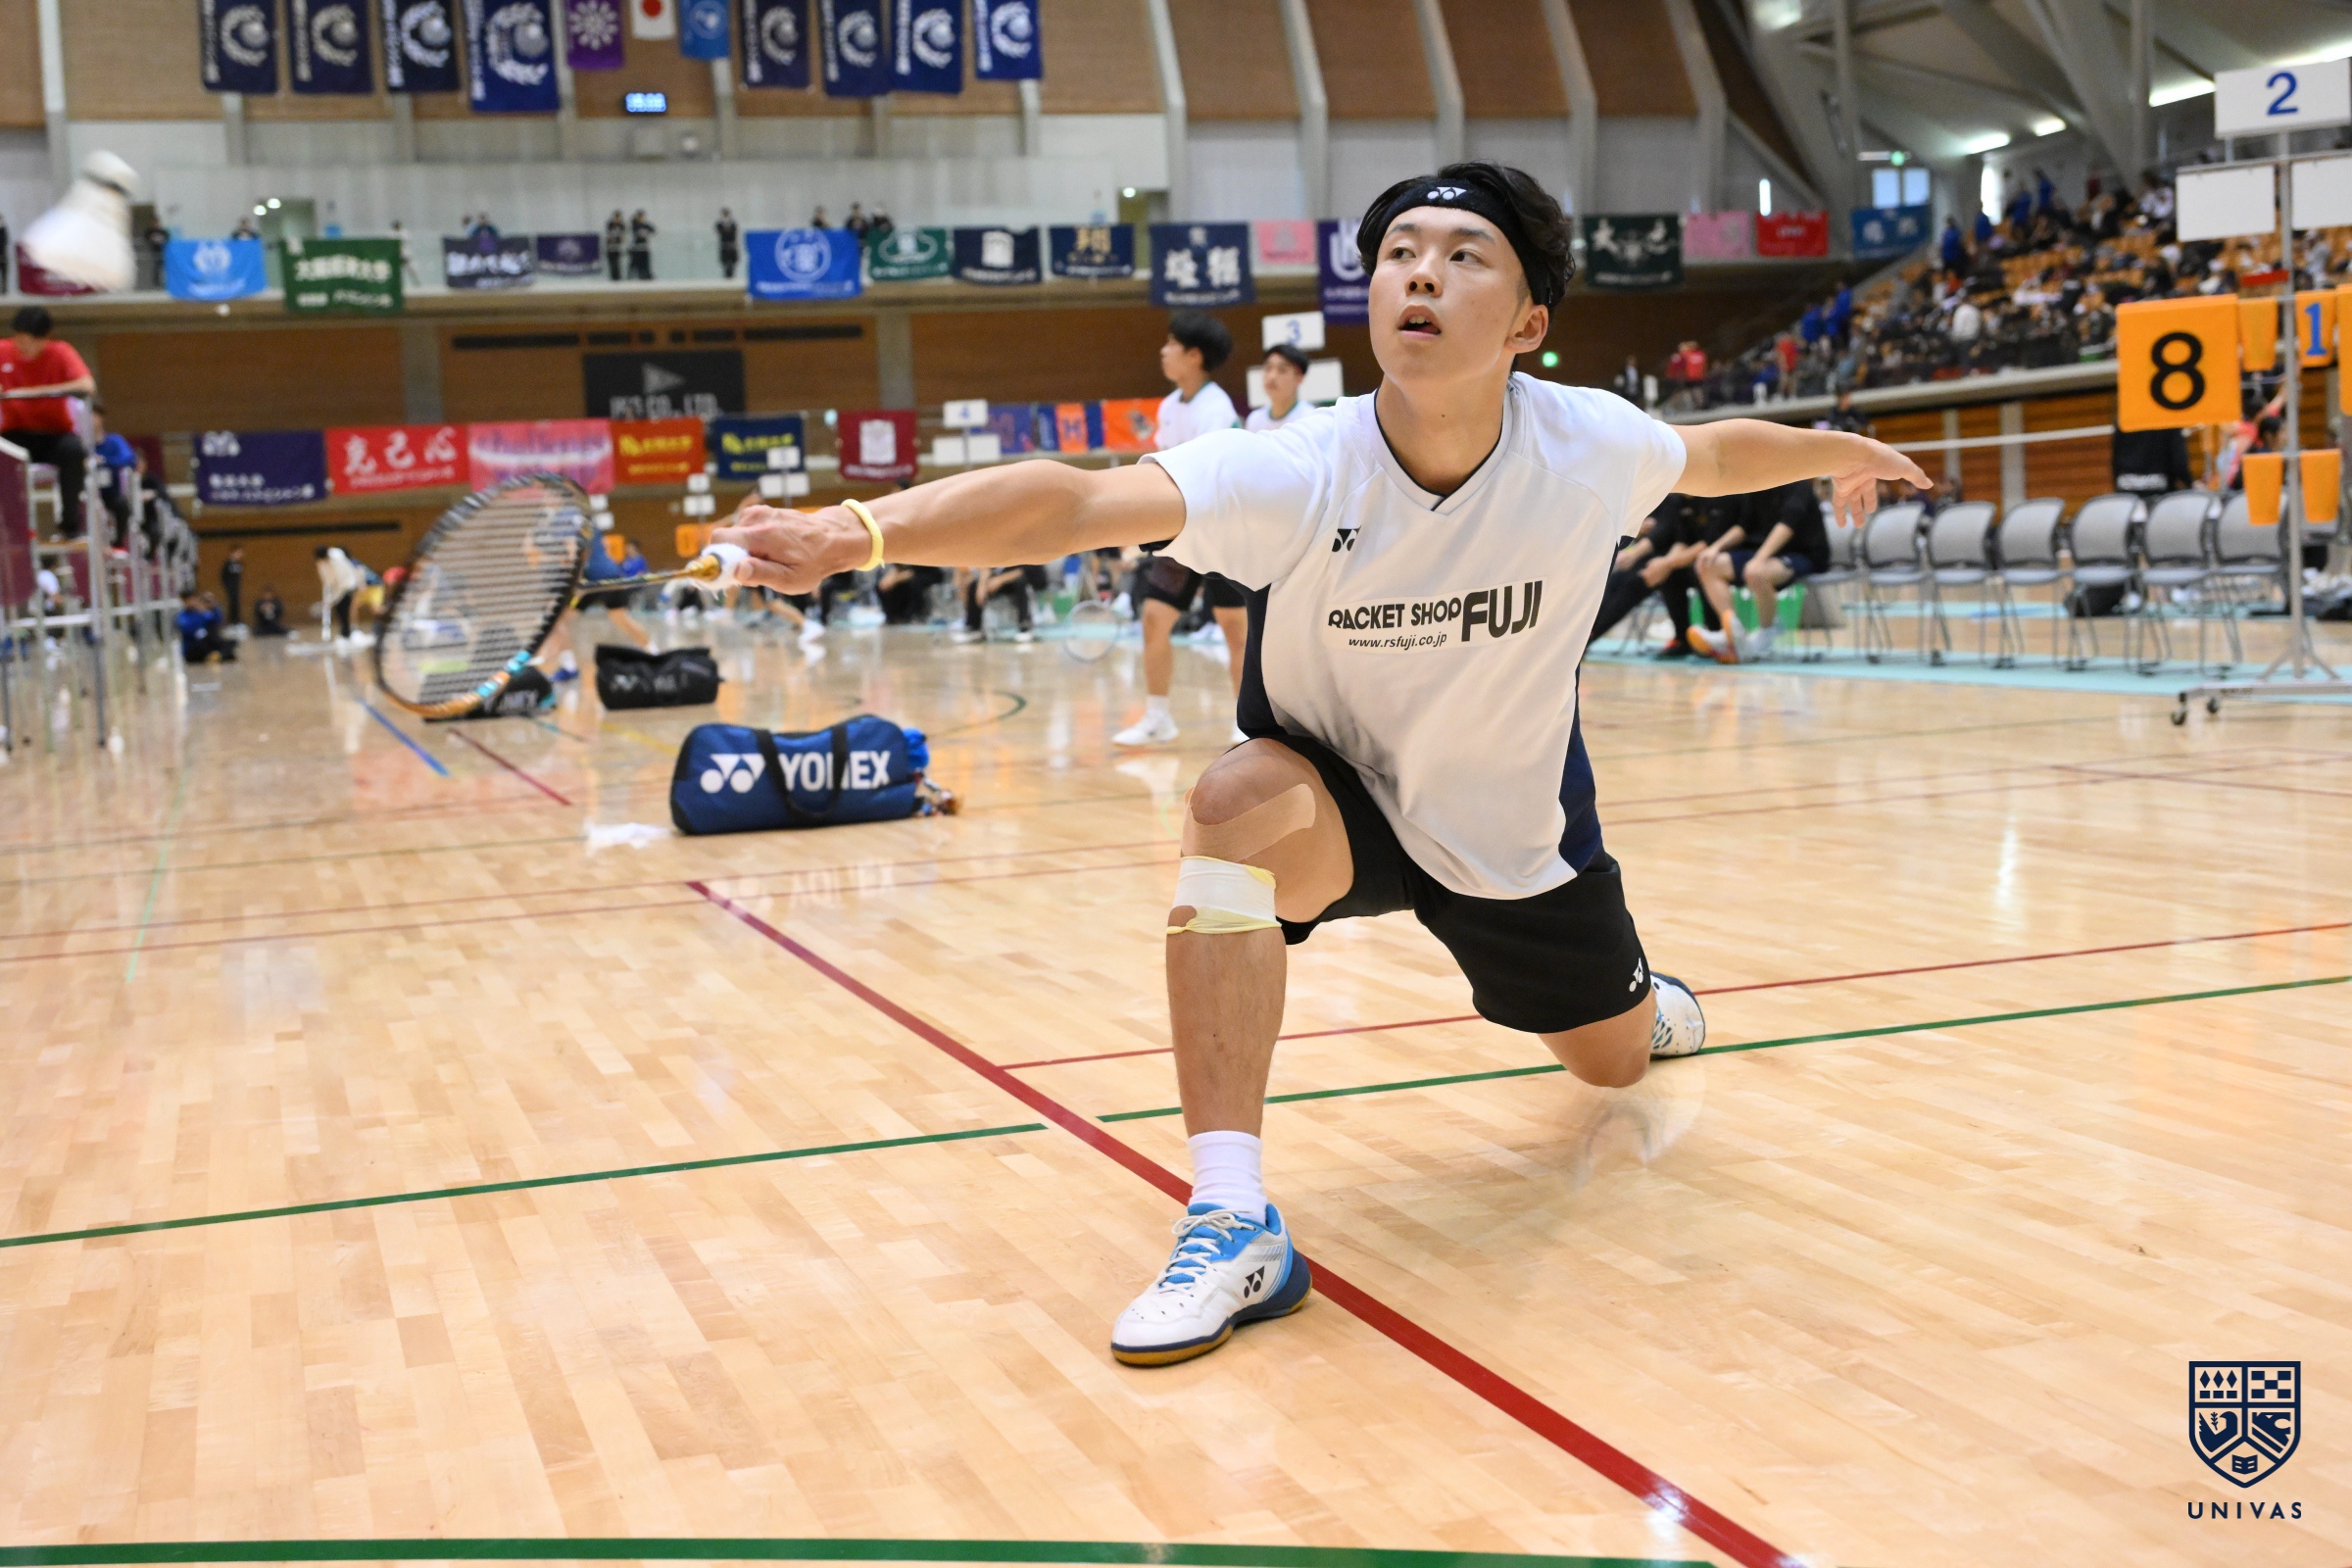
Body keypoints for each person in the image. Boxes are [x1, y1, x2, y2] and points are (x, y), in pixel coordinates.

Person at [710, 159, 1928, 1367]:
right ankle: (1232, 1214)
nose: (1421, 275)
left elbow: (1709, 456)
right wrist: (852, 531)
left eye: (1463, 257)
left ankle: (1640, 1007)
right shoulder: (1297, 466)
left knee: (1610, 1069)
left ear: (1527, 322)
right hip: (1336, 797)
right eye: (1400, 254)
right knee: (1229, 808)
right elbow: (1074, 505)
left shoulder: (1588, 444)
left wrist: (1835, 447)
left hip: (1509, 829)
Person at [1113, 311, 1244, 747]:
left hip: (1222, 530)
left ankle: (1247, 723)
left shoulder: (1216, 408)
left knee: (1235, 629)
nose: (1163, 351)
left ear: (1194, 356)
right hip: (1180, 531)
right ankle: (1157, 717)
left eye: (1172, 344)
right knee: (1154, 618)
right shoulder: (1169, 408)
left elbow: (1209, 475)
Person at [1686, 479, 1829, 662]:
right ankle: (1734, 634)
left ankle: (1767, 630)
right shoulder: (1756, 483)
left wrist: (1759, 559)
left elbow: (1787, 525)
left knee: (1755, 572)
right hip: (1762, 551)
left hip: (1803, 553)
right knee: (1708, 566)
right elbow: (1743, 527)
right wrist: (1715, 548)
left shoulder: (1798, 483)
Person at [0, 306, 97, 539]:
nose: (22, 347)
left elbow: (87, 386)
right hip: (16, 433)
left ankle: (70, 526)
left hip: (54, 435)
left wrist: (37, 391)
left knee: (74, 452)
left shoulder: (61, 352)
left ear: (44, 339)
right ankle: (12, 526)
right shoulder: (3, 350)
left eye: (29, 342)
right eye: (19, 339)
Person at [1246, 344, 1312, 431]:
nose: (1272, 376)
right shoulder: (1254, 420)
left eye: (1282, 370)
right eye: (1268, 368)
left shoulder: (1309, 418)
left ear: (1299, 378)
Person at [315, 544, 366, 644]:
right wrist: (329, 599)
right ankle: (345, 633)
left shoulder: (337, 559)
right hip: (338, 587)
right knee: (340, 610)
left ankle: (350, 632)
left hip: (348, 585)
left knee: (346, 608)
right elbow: (328, 581)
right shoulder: (322, 564)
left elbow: (341, 582)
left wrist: (331, 599)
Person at [175, 592, 235, 663]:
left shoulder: (201, 612)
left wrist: (213, 606)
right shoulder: (182, 616)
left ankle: (216, 655)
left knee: (229, 642)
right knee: (201, 645)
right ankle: (218, 655)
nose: (192, 602)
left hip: (206, 642)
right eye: (190, 600)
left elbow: (216, 620)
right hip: (193, 645)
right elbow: (187, 629)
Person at [220, 544, 247, 626]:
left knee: (237, 604)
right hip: (230, 587)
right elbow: (223, 576)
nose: (240, 555)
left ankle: (237, 621)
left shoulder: (239, 564)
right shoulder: (227, 564)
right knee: (231, 604)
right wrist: (227, 586)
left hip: (236, 587)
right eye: (238, 553)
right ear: (232, 553)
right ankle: (231, 622)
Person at [628, 211, 656, 281]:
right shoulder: (635, 225)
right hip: (637, 248)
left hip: (644, 248)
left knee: (645, 264)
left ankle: (646, 276)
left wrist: (645, 224)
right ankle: (638, 277)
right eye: (640, 217)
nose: (641, 218)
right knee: (637, 265)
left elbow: (653, 230)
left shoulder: (645, 226)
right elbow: (632, 225)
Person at [715, 208, 741, 279]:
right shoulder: (719, 224)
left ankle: (732, 276)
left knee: (732, 264)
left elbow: (734, 232)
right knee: (725, 263)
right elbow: (720, 232)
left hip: (732, 246)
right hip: (724, 246)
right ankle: (726, 276)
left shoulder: (733, 224)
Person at [604, 211, 627, 281]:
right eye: (616, 218)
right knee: (612, 264)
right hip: (610, 248)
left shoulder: (622, 226)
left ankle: (618, 278)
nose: (617, 219)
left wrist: (617, 238)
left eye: (618, 218)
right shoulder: (610, 225)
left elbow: (622, 238)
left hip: (617, 248)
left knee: (618, 264)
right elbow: (609, 237)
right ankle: (613, 278)